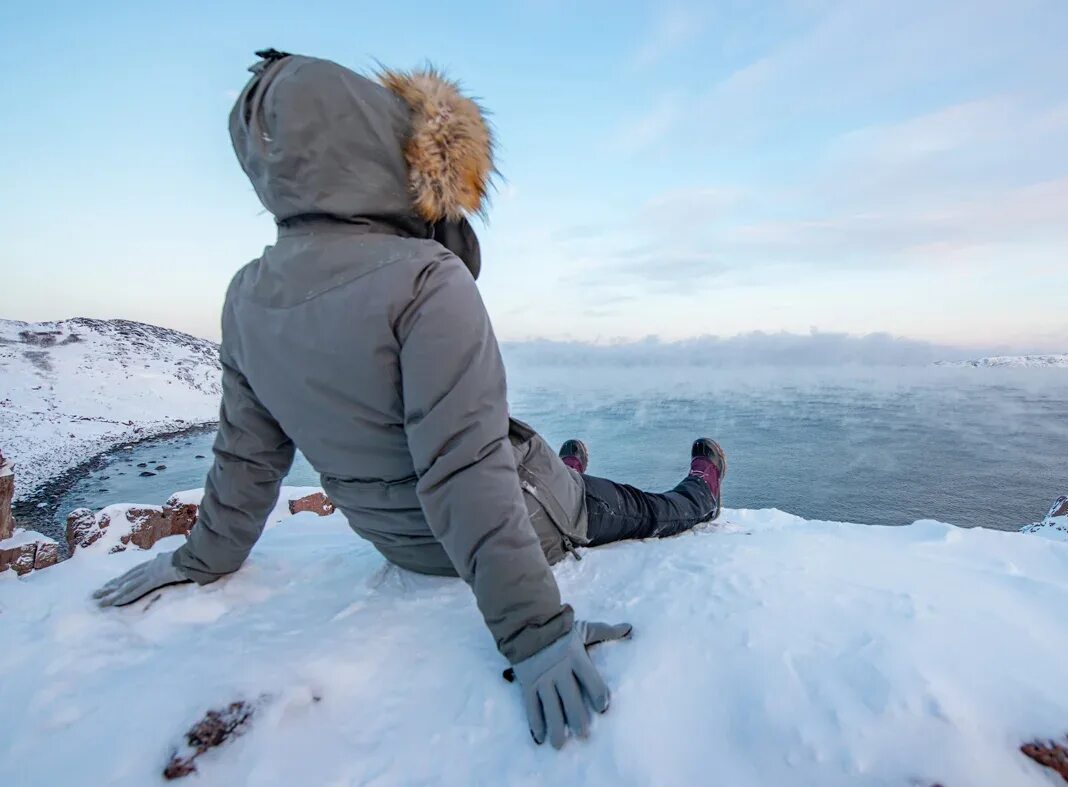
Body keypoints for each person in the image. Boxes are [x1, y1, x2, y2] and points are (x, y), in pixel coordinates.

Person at [90, 50, 726, 751]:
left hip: (401, 542)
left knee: (537, 457)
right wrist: (537, 633)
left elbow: (246, 463)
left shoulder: (246, 295)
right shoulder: (426, 279)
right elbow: (464, 471)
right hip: (515, 520)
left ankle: (565, 468)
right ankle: (698, 494)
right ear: (383, 143)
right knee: (629, 506)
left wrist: (199, 558)